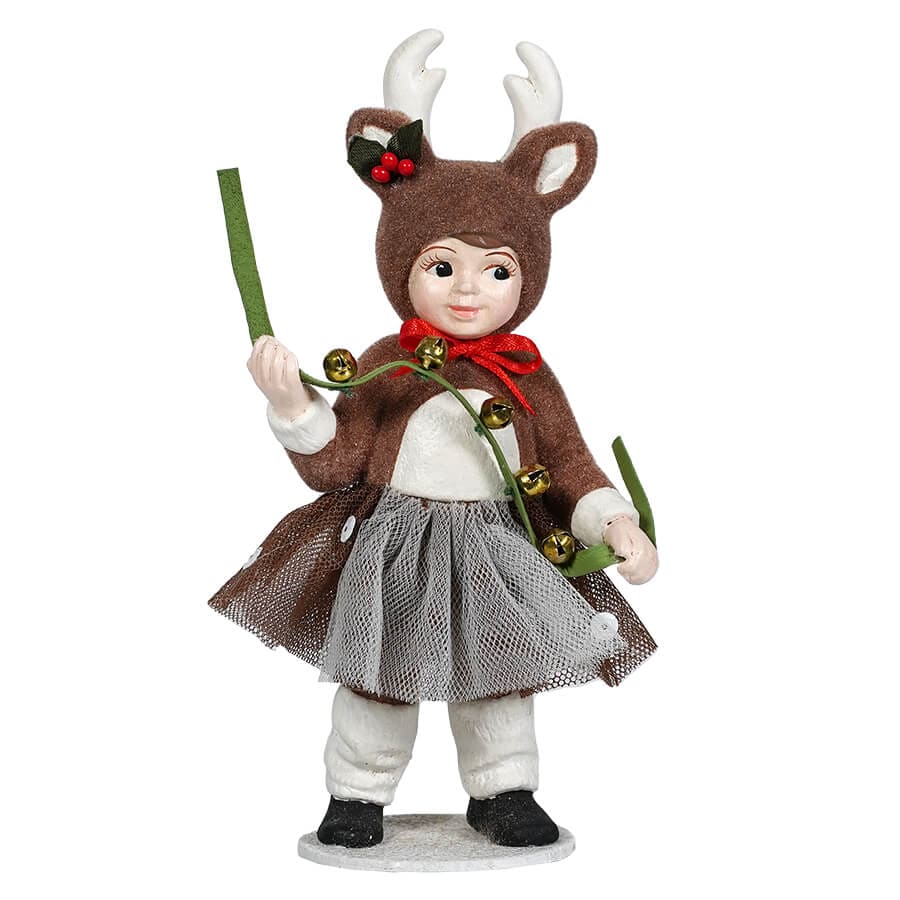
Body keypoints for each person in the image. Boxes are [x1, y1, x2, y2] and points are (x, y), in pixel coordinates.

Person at [210, 31, 658, 850]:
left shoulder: (527, 373)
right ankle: (357, 793)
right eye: (443, 266)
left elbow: (567, 462)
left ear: (527, 276)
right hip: (394, 546)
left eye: (497, 270)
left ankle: (504, 790)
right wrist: (295, 406)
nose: (468, 291)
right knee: (377, 677)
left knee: (500, 676)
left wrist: (613, 520)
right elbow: (336, 461)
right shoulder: (391, 360)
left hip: (497, 549)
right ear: (404, 265)